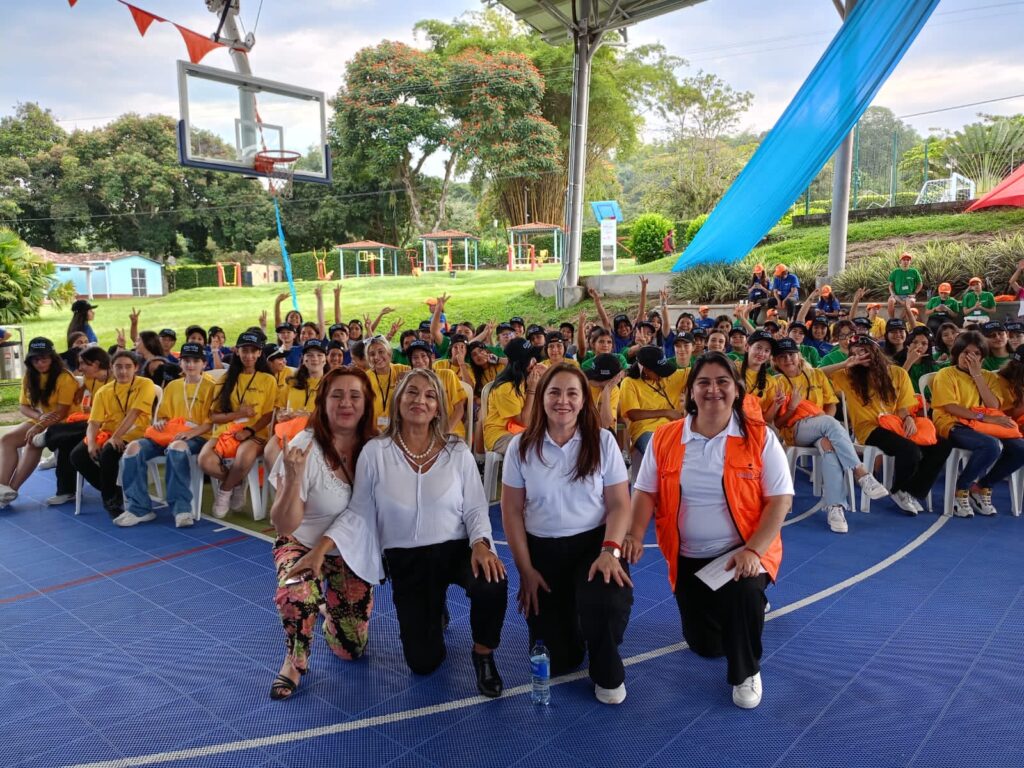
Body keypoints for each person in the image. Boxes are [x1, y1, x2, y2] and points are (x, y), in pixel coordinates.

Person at [293, 369, 509, 696]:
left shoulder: (457, 451)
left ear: (439, 407)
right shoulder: (376, 453)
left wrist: (481, 544)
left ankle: (484, 655)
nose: (419, 400)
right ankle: (434, 607)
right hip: (407, 560)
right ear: (397, 401)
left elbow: (476, 508)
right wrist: (320, 550)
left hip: (457, 548)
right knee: (424, 662)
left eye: (429, 395)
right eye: (411, 392)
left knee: (492, 582)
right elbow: (358, 512)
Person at [625, 351, 793, 708]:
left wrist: (753, 551)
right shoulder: (666, 438)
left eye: (722, 382)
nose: (712, 389)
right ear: (690, 391)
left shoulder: (760, 438)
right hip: (688, 557)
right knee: (705, 646)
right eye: (703, 382)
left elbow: (780, 500)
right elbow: (645, 492)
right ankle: (739, 613)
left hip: (743, 550)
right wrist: (634, 535)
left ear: (737, 390)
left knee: (743, 595)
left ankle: (747, 670)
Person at [501, 364, 633, 704]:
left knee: (605, 601)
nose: (563, 400)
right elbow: (512, 512)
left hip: (594, 546)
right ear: (542, 397)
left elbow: (619, 504)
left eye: (572, 393)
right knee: (560, 660)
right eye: (554, 392)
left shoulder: (602, 441)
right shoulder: (520, 447)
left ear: (583, 400)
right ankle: (575, 618)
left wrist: (611, 550)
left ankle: (607, 671)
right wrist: (525, 570)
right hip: (543, 552)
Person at [262, 367, 380, 700]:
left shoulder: (374, 448)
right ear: (322, 402)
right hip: (301, 542)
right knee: (298, 595)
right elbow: (285, 525)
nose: (346, 403)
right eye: (336, 395)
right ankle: (293, 661)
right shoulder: (304, 446)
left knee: (351, 650)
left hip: (347, 549)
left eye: (355, 395)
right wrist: (294, 478)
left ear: (366, 403)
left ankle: (329, 612)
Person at [772, 338, 888, 532]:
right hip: (796, 431)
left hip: (822, 427)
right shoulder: (777, 383)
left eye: (791, 354)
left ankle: (836, 508)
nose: (788, 360)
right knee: (829, 423)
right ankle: (861, 473)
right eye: (782, 357)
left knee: (829, 448)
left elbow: (831, 404)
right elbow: (778, 423)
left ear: (799, 355)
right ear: (775, 361)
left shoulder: (816, 375)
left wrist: (825, 423)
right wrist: (792, 408)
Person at [831, 335, 951, 515]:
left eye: (863, 351)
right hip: (869, 428)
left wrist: (908, 418)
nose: (859, 356)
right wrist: (845, 364)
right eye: (854, 353)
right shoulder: (847, 376)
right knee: (910, 450)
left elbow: (903, 407)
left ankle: (910, 490)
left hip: (895, 423)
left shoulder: (897, 373)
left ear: (876, 351)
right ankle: (899, 490)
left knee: (941, 446)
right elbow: (816, 373)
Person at [118, 343, 215, 528]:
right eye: (186, 360)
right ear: (180, 363)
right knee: (132, 448)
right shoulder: (173, 386)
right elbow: (163, 414)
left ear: (204, 363)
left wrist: (191, 432)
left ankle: (181, 509)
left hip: (199, 436)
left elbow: (213, 420)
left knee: (176, 448)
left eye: (195, 361)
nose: (191, 365)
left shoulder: (212, 387)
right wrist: (161, 421)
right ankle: (139, 509)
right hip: (169, 434)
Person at [931, 331, 1024, 517]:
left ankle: (982, 487)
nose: (970, 357)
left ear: (982, 357)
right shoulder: (945, 374)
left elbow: (994, 405)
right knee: (990, 445)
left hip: (983, 424)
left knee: (1020, 448)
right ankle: (961, 489)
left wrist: (977, 376)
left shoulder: (988, 376)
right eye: (966, 352)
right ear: (957, 353)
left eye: (976, 354)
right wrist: (983, 418)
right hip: (952, 423)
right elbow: (950, 407)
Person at [69, 350, 158, 521]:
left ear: (136, 368)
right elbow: (94, 422)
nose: (123, 371)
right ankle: (112, 490)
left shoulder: (145, 384)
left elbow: (134, 413)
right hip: (109, 432)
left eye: (128, 367)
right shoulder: (104, 391)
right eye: (118, 367)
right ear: (111, 367)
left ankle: (110, 502)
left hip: (135, 432)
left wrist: (116, 436)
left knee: (109, 452)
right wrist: (92, 442)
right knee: (78, 455)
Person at [199, 332, 278, 518]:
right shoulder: (226, 379)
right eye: (244, 350)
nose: (248, 355)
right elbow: (214, 416)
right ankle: (237, 481)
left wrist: (249, 430)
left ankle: (225, 490)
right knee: (205, 461)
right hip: (225, 432)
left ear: (259, 353)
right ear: (237, 351)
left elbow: (268, 415)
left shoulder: (268, 380)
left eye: (253, 351)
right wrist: (239, 414)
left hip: (255, 432)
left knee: (243, 457)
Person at [0, 338, 79, 507]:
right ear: (30, 361)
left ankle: (12, 490)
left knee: (32, 441)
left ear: (52, 358)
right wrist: (38, 417)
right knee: (7, 440)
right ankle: (2, 488)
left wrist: (39, 425)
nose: (41, 363)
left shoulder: (65, 378)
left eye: (45, 359)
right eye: (36, 360)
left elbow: (62, 412)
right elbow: (23, 406)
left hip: (65, 422)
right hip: (42, 419)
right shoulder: (30, 376)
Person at [41, 346, 110, 506]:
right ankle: (66, 491)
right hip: (94, 422)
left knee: (69, 432)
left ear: (96, 364)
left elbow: (117, 413)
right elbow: (87, 390)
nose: (79, 368)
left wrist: (94, 411)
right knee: (66, 440)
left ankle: (48, 435)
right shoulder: (91, 379)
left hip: (109, 426)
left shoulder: (115, 381)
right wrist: (82, 392)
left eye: (83, 364)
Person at [265, 339, 327, 476]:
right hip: (288, 430)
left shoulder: (331, 384)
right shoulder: (292, 382)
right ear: (303, 359)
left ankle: (292, 492)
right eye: (309, 355)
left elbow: (332, 416)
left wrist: (307, 416)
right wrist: (281, 415)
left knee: (299, 454)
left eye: (319, 355)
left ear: (325, 359)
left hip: (316, 432)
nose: (314, 359)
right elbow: (279, 409)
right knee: (269, 450)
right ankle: (282, 491)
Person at [618, 346, 688, 456]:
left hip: (676, 428)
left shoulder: (669, 376)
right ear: (646, 370)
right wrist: (667, 412)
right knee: (660, 456)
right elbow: (633, 414)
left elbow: (700, 371)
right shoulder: (629, 382)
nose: (662, 375)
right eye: (659, 371)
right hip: (647, 430)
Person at [482, 338, 546, 456]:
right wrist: (532, 389)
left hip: (521, 433)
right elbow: (524, 422)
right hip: (500, 435)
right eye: (530, 359)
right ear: (520, 364)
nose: (535, 361)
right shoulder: (505, 388)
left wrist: (547, 374)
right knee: (533, 450)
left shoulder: (522, 379)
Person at [407, 339, 468, 438]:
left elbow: (459, 408)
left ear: (431, 357)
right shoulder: (410, 381)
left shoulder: (448, 375)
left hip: (450, 431)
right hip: (422, 433)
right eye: (415, 357)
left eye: (423, 356)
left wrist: (445, 431)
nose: (419, 360)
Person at [365, 335, 410, 431]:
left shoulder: (402, 369)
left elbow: (426, 372)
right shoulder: (365, 378)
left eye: (381, 352)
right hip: (373, 432)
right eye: (372, 354)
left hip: (399, 431)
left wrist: (410, 375)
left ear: (389, 353)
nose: (376, 357)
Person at [887, 252, 921, 321]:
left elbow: (920, 284)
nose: (906, 261)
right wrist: (892, 294)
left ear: (910, 262)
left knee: (911, 302)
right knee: (890, 301)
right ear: (900, 261)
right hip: (897, 295)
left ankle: (900, 320)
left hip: (909, 295)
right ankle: (892, 320)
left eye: (908, 260)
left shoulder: (914, 271)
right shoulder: (895, 272)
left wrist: (914, 293)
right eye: (904, 260)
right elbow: (890, 286)